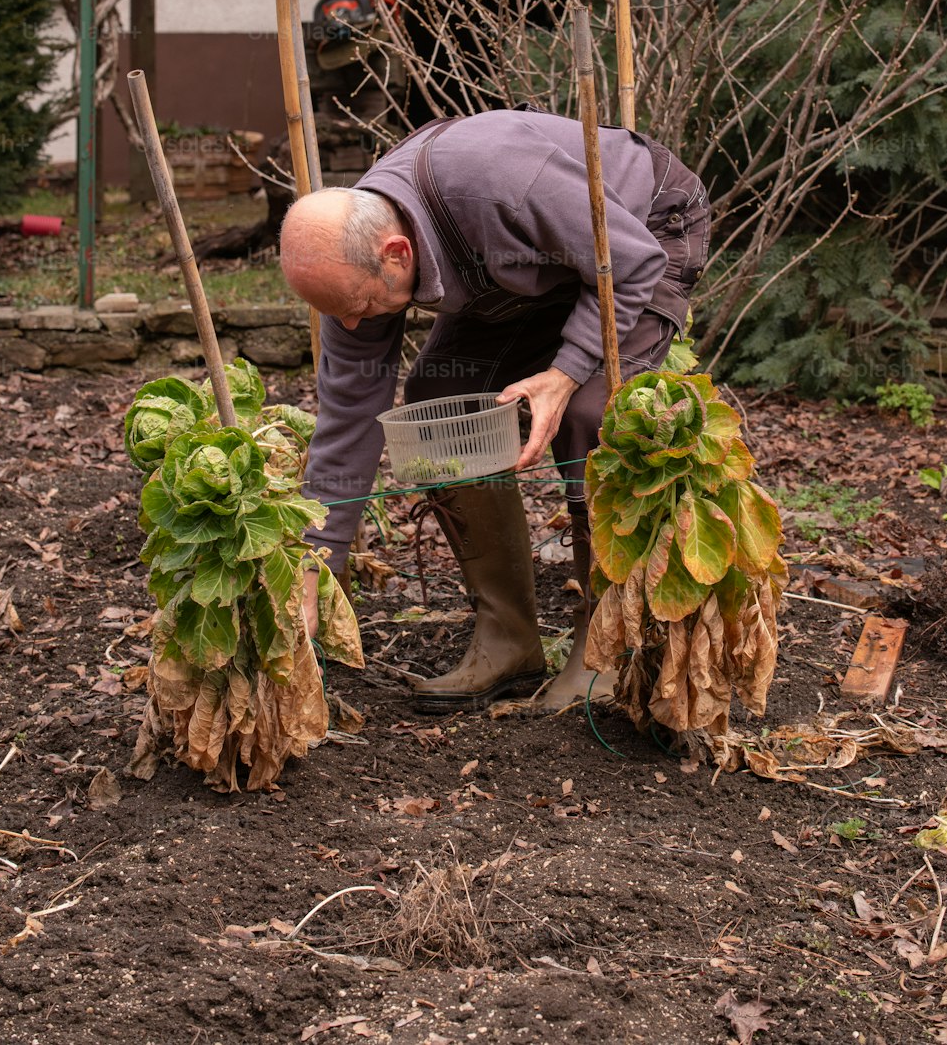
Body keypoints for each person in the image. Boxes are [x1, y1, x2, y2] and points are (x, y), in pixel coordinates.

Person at [280, 108, 710, 713]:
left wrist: (563, 374)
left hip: (642, 229)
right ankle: (508, 638)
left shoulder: (496, 182)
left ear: (397, 253)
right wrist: (315, 563)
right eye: (338, 314)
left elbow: (631, 259)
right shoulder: (349, 270)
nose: (352, 324)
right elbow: (349, 412)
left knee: (592, 411)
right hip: (539, 264)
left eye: (360, 305)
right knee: (438, 407)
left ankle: (602, 649)